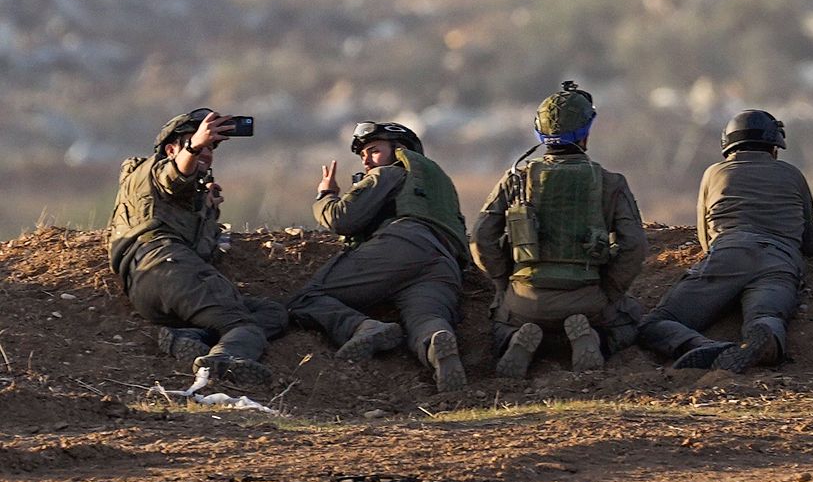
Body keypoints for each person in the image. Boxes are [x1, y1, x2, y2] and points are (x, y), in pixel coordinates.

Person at [470, 82, 648, 379]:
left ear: (539, 133)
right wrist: (610, 290)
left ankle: (516, 340)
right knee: (629, 321)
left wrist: (503, 282)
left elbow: (481, 238)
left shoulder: (515, 179)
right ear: (585, 134)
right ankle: (593, 339)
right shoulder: (610, 182)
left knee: (500, 325)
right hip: (587, 299)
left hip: (524, 299)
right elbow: (634, 245)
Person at [285, 121, 470, 392]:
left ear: (401, 150)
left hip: (402, 245)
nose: (367, 161)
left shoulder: (390, 172)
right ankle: (436, 346)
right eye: (363, 155)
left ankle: (363, 327)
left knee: (306, 299)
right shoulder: (439, 187)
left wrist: (326, 194)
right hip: (444, 262)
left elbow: (341, 219)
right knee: (426, 319)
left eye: (374, 151)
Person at [108, 108, 288, 384]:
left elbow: (203, 254)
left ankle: (189, 337)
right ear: (171, 149)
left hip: (158, 286)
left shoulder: (184, 202)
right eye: (200, 145)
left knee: (273, 314)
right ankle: (222, 363)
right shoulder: (152, 171)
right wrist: (193, 146)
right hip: (166, 264)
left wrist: (206, 213)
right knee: (243, 326)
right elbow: (173, 176)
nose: (207, 152)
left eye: (210, 148)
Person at [638, 110, 813, 372]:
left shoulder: (714, 173)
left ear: (728, 145)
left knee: (655, 323)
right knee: (768, 315)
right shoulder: (792, 174)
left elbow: (705, 239)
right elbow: (809, 241)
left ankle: (701, 345)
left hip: (729, 254)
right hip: (780, 261)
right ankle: (765, 340)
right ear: (774, 147)